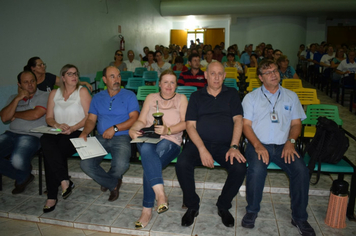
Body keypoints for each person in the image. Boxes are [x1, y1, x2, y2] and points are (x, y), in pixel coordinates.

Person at [241, 59, 315, 236]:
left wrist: (291, 142)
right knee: (257, 171)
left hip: (284, 145)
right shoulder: (251, 98)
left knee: (301, 171)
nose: (273, 74)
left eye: (275, 71)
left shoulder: (291, 96)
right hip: (258, 143)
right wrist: (258, 146)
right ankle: (252, 210)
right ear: (260, 77)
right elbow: (246, 126)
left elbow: (297, 124)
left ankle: (299, 217)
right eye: (268, 72)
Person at [176, 61, 247, 228]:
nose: (216, 77)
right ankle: (192, 205)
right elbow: (190, 126)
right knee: (182, 163)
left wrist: (234, 146)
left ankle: (223, 205)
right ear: (206, 75)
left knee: (240, 168)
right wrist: (202, 149)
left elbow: (238, 121)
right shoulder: (196, 96)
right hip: (200, 143)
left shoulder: (232, 94)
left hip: (225, 145)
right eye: (212, 73)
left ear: (225, 76)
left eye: (220, 74)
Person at [129, 69, 188, 229]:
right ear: (159, 84)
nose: (169, 85)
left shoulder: (181, 99)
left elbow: (186, 123)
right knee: (147, 149)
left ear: (176, 85)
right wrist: (133, 129)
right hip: (147, 136)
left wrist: (168, 130)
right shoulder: (151, 98)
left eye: (172, 82)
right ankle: (160, 195)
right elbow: (141, 120)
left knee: (148, 164)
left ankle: (146, 210)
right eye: (165, 82)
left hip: (171, 140)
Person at [79, 66, 140, 202]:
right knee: (85, 164)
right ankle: (113, 183)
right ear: (105, 80)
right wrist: (84, 132)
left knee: (121, 165)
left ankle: (109, 179)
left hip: (122, 137)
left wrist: (115, 128)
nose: (117, 79)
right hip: (100, 137)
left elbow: (134, 118)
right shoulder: (97, 97)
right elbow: (91, 119)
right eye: (112, 76)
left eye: (118, 76)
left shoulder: (129, 95)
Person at [40, 64, 91, 213]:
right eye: (69, 74)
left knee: (52, 153)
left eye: (75, 73)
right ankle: (64, 180)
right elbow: (49, 117)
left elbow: (90, 117)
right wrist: (57, 124)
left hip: (76, 132)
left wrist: (73, 128)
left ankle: (51, 196)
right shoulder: (54, 93)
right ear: (62, 77)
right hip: (57, 130)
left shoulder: (82, 92)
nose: (74, 76)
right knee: (45, 140)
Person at [0, 71, 49, 194]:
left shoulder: (44, 95)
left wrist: (14, 114)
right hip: (11, 133)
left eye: (32, 81)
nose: (30, 84)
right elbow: (5, 118)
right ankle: (23, 175)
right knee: (17, 163)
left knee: (17, 160)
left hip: (32, 135)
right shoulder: (13, 98)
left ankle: (22, 174)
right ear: (19, 84)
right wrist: (17, 98)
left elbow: (35, 114)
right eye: (26, 82)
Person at [24, 57, 92, 92]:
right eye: (40, 65)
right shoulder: (28, 81)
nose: (43, 66)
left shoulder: (49, 77)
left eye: (43, 64)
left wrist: (85, 83)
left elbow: (66, 82)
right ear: (33, 68)